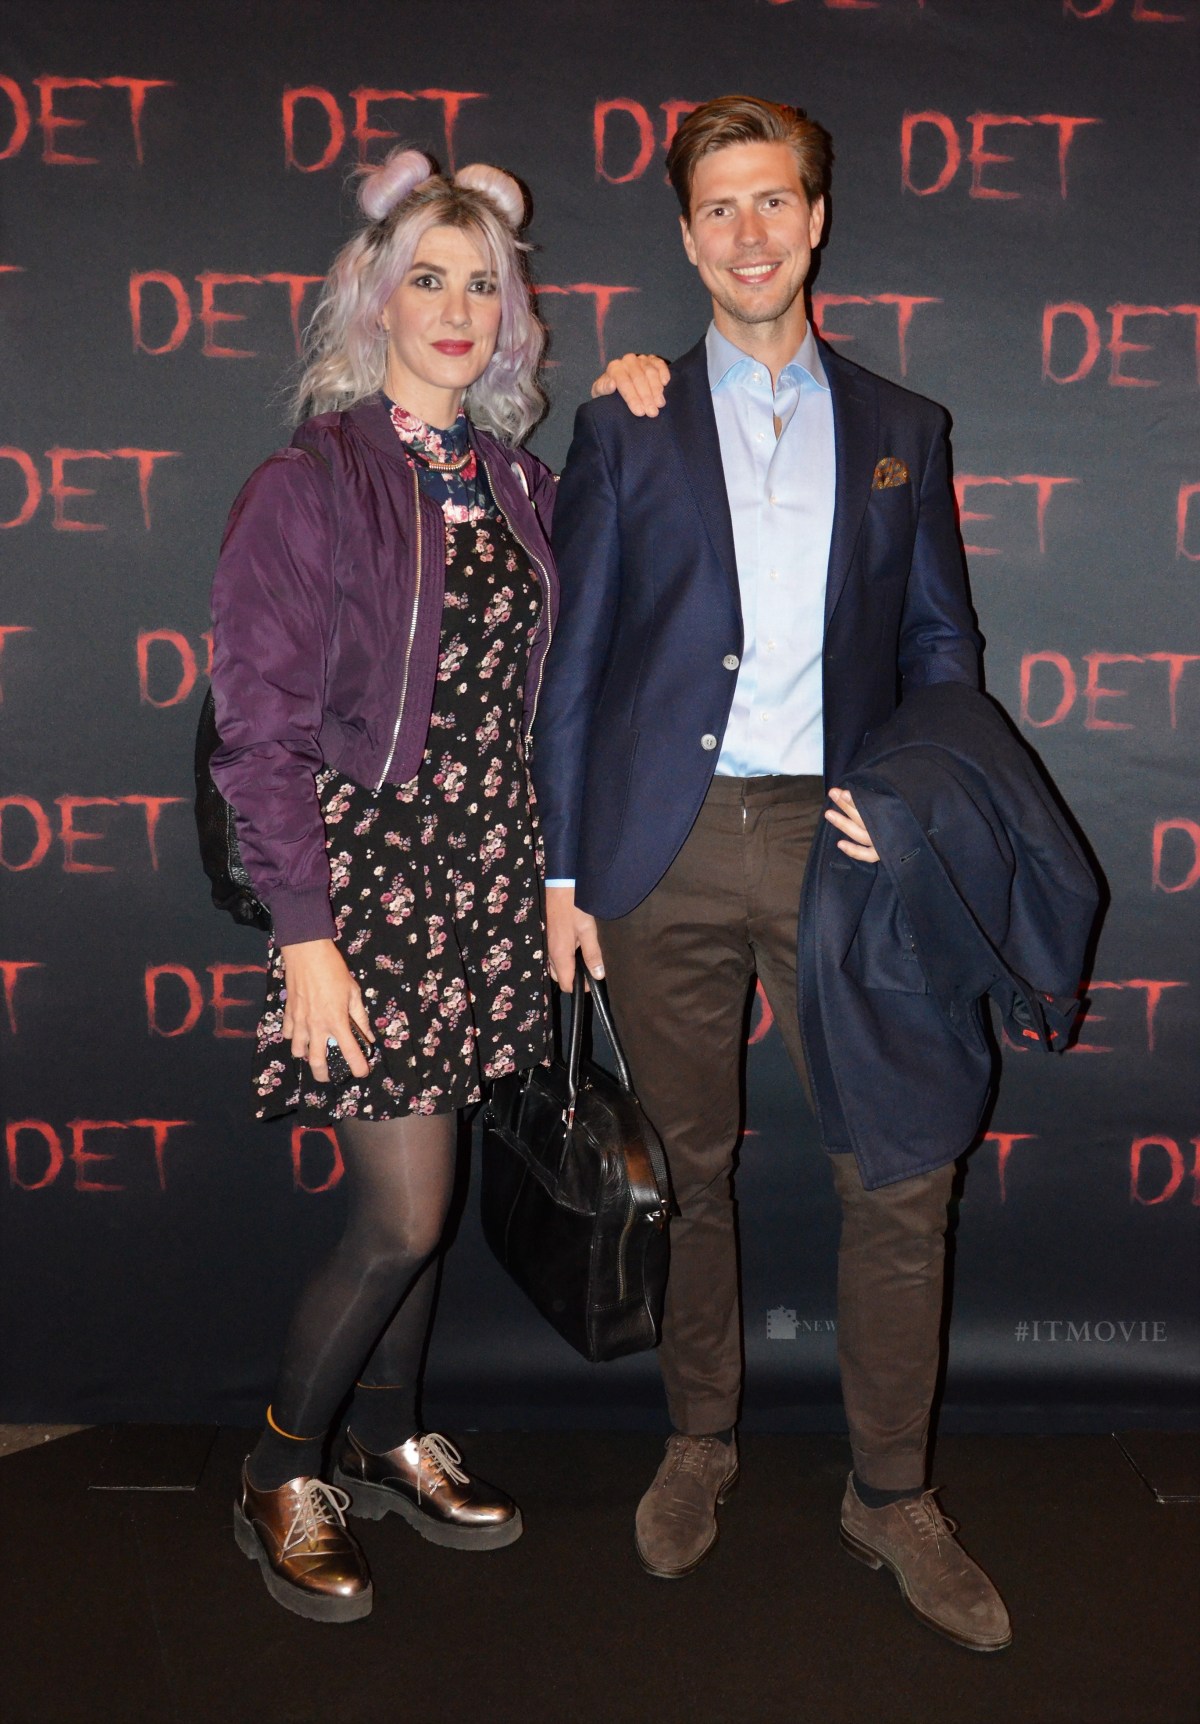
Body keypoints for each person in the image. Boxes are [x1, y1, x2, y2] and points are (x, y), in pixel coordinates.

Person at [535, 95, 1012, 1652]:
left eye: (774, 201)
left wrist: (911, 798)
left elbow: (942, 645)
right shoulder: (625, 420)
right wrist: (562, 871)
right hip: (660, 850)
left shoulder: (905, 430)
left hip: (839, 842)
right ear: (687, 238)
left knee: (903, 1173)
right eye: (718, 207)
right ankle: (699, 1442)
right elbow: (574, 663)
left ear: (817, 220)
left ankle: (891, 1494)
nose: (749, 232)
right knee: (687, 1175)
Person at [209, 148, 564, 1623]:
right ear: (376, 301)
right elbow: (257, 731)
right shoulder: (312, 481)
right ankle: (279, 1465)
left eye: (485, 284)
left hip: (488, 877)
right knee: (405, 1216)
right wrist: (306, 935)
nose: (459, 308)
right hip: (368, 890)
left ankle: (389, 1433)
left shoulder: (523, 485)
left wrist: (555, 880)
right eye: (430, 278)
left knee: (444, 1186)